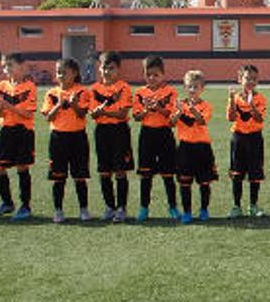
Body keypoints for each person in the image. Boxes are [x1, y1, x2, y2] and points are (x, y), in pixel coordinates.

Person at [43, 58, 93, 223]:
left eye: (64, 72)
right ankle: (58, 210)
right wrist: (59, 105)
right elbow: (48, 117)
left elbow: (82, 114)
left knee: (79, 176)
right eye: (58, 72)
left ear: (75, 73)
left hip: (78, 137)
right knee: (59, 177)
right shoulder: (51, 93)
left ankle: (84, 209)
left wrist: (74, 105)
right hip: (58, 138)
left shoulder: (82, 92)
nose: (61, 75)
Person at [0, 52, 37, 221]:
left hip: (23, 131)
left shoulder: (29, 87)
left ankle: (25, 206)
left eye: (10, 65)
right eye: (4, 66)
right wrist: (2, 107)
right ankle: (7, 202)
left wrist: (8, 105)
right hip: (7, 130)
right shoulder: (1, 86)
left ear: (22, 66)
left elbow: (27, 114)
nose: (6, 69)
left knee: (22, 167)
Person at [132, 56, 179, 223]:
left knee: (168, 174)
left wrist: (158, 108)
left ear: (163, 75)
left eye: (156, 75)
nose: (152, 78)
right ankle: (144, 208)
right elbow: (136, 117)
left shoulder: (171, 92)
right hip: (147, 135)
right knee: (146, 175)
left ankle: (173, 207)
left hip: (165, 135)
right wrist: (146, 110)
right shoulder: (139, 93)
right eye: (148, 75)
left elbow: (172, 116)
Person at [89, 52, 134, 222]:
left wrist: (104, 112)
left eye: (111, 68)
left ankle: (122, 208)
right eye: (104, 68)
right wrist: (98, 113)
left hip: (119, 131)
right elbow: (94, 115)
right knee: (104, 171)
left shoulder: (124, 87)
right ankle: (109, 206)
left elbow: (122, 114)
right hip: (102, 132)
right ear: (99, 69)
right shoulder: (94, 89)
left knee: (120, 170)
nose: (107, 72)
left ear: (118, 69)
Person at [172, 70, 216, 224]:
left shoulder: (206, 105)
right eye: (189, 86)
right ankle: (187, 212)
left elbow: (202, 121)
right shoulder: (180, 104)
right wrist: (178, 112)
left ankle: (204, 209)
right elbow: (172, 123)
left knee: (204, 183)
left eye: (196, 87)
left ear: (202, 88)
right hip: (185, 148)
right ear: (185, 87)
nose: (192, 90)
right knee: (185, 183)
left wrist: (192, 109)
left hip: (202, 148)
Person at [227, 64, 267, 218]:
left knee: (255, 173)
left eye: (254, 79)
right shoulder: (235, 98)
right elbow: (231, 118)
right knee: (237, 173)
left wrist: (251, 105)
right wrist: (231, 99)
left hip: (255, 138)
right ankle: (236, 206)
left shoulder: (260, 98)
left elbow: (259, 118)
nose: (250, 81)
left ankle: (253, 205)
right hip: (238, 138)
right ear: (240, 79)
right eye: (247, 78)